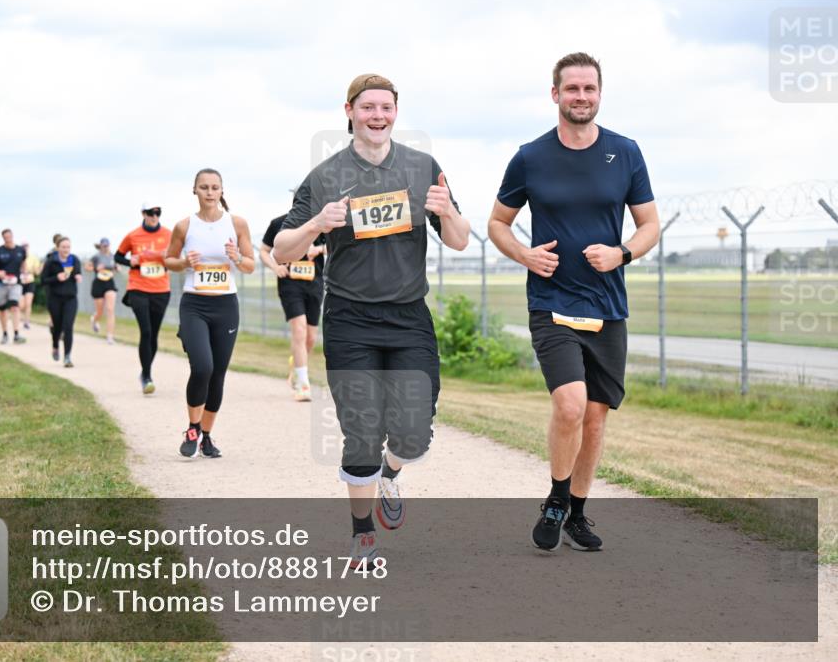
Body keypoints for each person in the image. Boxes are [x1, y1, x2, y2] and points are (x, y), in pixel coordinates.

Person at [273, 74, 470, 567]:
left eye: (386, 107)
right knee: (360, 428)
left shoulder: (423, 166)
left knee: (414, 431)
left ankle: (390, 472)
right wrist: (319, 223)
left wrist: (447, 213)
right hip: (349, 316)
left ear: (396, 112)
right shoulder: (324, 176)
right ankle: (362, 533)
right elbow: (281, 248)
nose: (377, 116)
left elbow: (461, 239)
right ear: (350, 111)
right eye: (368, 108)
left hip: (408, 316)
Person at [488, 52, 660, 552]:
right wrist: (524, 254)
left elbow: (649, 225)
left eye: (589, 89)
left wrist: (621, 252)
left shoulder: (625, 152)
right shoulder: (530, 156)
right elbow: (498, 222)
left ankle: (578, 513)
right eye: (572, 89)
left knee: (597, 417)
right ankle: (557, 499)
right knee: (570, 404)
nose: (581, 97)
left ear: (599, 94)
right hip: (552, 301)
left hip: (608, 305)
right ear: (555, 94)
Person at [165, 169, 254, 459]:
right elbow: (169, 261)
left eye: (215, 187)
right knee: (202, 367)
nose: (210, 192)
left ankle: (206, 436)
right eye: (204, 187)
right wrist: (183, 262)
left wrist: (237, 257)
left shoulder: (237, 223)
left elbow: (250, 265)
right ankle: (192, 428)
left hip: (226, 306)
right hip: (195, 305)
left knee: (217, 375)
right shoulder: (184, 226)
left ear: (222, 190)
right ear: (195, 190)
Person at [260, 211, 326, 401]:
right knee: (299, 329)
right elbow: (264, 251)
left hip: (314, 283)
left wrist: (319, 249)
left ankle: (296, 366)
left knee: (311, 338)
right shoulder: (279, 223)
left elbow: (337, 245)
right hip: (290, 283)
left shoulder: (321, 222)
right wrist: (275, 267)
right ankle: (303, 385)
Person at [116, 202, 173, 394]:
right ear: (143, 213)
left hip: (161, 289)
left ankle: (145, 372)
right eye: (151, 213)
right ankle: (147, 377)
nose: (155, 216)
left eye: (158, 212)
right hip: (138, 287)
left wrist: (169, 257)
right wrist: (130, 262)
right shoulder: (133, 235)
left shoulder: (168, 234)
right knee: (146, 331)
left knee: (154, 334)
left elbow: (176, 258)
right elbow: (118, 256)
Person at [40, 236, 82, 367]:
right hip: (55, 298)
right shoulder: (51, 262)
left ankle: (67, 357)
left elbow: (78, 272)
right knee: (57, 326)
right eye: (63, 247)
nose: (66, 249)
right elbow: (43, 280)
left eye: (68, 247)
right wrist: (56, 278)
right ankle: (55, 346)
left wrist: (78, 276)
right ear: (58, 248)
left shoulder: (74, 260)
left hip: (70, 298)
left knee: (68, 327)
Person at [0, 228, 28, 345]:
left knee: (15, 307)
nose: (8, 239)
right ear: (3, 238)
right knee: (2, 309)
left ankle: (16, 334)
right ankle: (4, 333)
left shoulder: (20, 250)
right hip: (0, 283)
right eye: (5, 237)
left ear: (12, 236)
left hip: (15, 283)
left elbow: (23, 263)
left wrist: (25, 273)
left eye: (9, 236)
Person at [86, 237, 119, 345]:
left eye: (107, 246)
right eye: (103, 246)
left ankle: (110, 336)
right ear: (100, 246)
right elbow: (87, 267)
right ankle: (94, 320)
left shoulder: (113, 256)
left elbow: (117, 267)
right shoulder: (96, 257)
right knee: (100, 312)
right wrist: (96, 269)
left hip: (109, 283)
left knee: (110, 309)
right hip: (98, 283)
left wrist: (117, 269)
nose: (105, 248)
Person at [20, 240, 42, 330]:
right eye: (23, 246)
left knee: (28, 303)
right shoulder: (18, 257)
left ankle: (27, 322)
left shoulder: (33, 257)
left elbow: (37, 272)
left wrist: (39, 268)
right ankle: (19, 319)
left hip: (30, 282)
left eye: (26, 246)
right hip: (20, 282)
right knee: (21, 305)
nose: (25, 247)